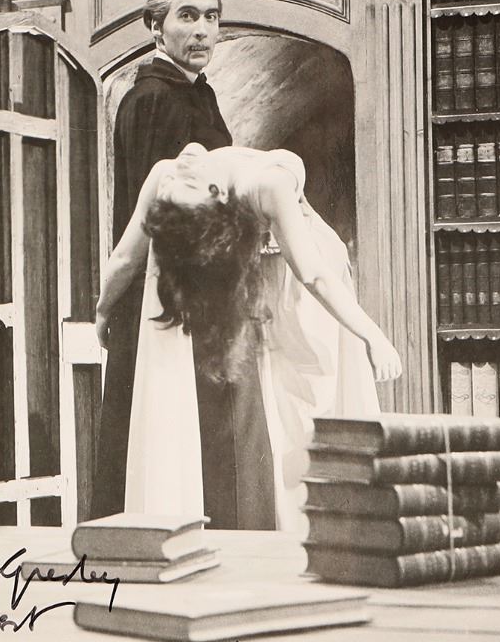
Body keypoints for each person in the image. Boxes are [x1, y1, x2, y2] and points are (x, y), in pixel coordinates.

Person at [94, 142, 404, 536]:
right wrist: (103, 309)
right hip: (251, 271)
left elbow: (314, 275)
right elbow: (125, 258)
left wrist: (373, 337)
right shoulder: (167, 177)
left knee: (298, 413)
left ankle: (306, 521)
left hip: (301, 284)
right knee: (254, 413)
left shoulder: (267, 185)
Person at [91, 0, 276, 529]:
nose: (202, 30)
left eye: (211, 17)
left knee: (212, 439)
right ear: (156, 27)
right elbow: (157, 220)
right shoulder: (152, 99)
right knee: (179, 441)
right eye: (187, 16)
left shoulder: (199, 95)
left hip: (202, 295)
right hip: (171, 301)